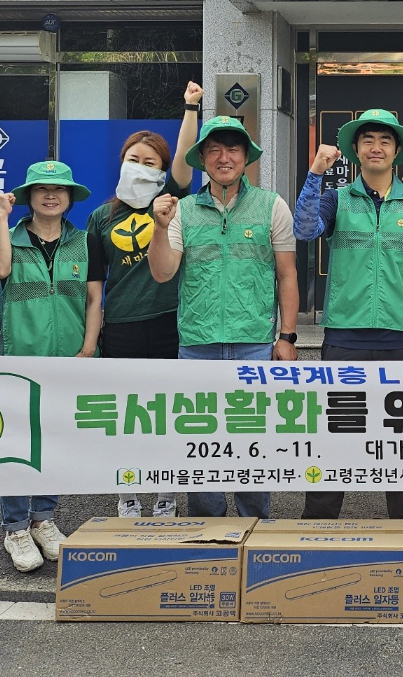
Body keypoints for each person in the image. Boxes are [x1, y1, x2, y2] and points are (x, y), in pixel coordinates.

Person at [295, 108, 403, 520]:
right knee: (336, 437)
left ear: (397, 151)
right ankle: (318, 528)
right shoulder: (337, 198)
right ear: (356, 151)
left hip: (402, 338)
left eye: (385, 141)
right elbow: (304, 230)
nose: (376, 148)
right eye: (368, 141)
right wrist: (315, 173)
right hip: (345, 336)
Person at [149, 115, 299, 520]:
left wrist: (287, 336)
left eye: (232, 148)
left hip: (254, 344)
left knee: (253, 442)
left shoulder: (272, 205)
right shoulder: (181, 210)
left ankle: (256, 526)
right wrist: (159, 228)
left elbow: (287, 274)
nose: (223, 157)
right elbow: (162, 272)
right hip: (197, 345)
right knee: (201, 445)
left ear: (246, 156)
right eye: (213, 149)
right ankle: (207, 530)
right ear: (201, 159)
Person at [86, 82, 201, 518]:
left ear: (162, 171)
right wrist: (91, 342)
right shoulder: (101, 217)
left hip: (171, 322)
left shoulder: (172, 202)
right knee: (128, 416)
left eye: (149, 162)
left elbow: (186, 158)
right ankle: (128, 494)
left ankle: (166, 497)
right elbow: (95, 285)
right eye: (133, 160)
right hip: (122, 326)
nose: (139, 167)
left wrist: (190, 106)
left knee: (169, 414)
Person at [0, 160, 98, 573]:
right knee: (17, 443)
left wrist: (88, 349)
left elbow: (93, 299)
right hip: (19, 359)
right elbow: (0, 269)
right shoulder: (12, 237)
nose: (51, 195)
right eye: (41, 189)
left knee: (56, 440)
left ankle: (44, 519)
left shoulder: (84, 242)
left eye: (59, 189)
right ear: (29, 196)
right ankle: (15, 527)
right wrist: (2, 217)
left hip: (70, 360)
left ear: (70, 197)